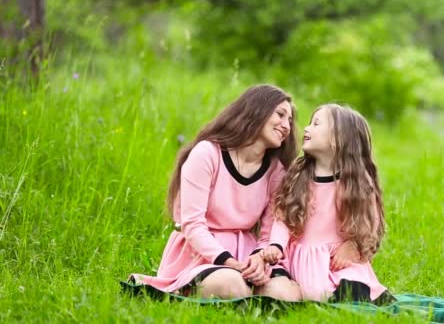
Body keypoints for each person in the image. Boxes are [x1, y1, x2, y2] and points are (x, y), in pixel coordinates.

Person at [124, 84, 301, 301]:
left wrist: (260, 258)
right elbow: (193, 224)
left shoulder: (276, 171)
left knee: (285, 294)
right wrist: (229, 262)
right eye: (280, 115)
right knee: (232, 286)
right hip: (202, 253)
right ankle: (186, 288)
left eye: (290, 121)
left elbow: (268, 231)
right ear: (257, 110)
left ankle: (243, 295)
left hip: (246, 252)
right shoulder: (207, 154)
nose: (286, 126)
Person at [262, 104, 394, 304]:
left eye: (316, 124)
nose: (306, 129)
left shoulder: (356, 182)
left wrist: (353, 245)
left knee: (356, 287)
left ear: (337, 139)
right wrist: (276, 245)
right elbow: (283, 219)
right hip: (302, 257)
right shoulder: (298, 177)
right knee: (304, 292)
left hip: (337, 259)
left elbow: (370, 221)